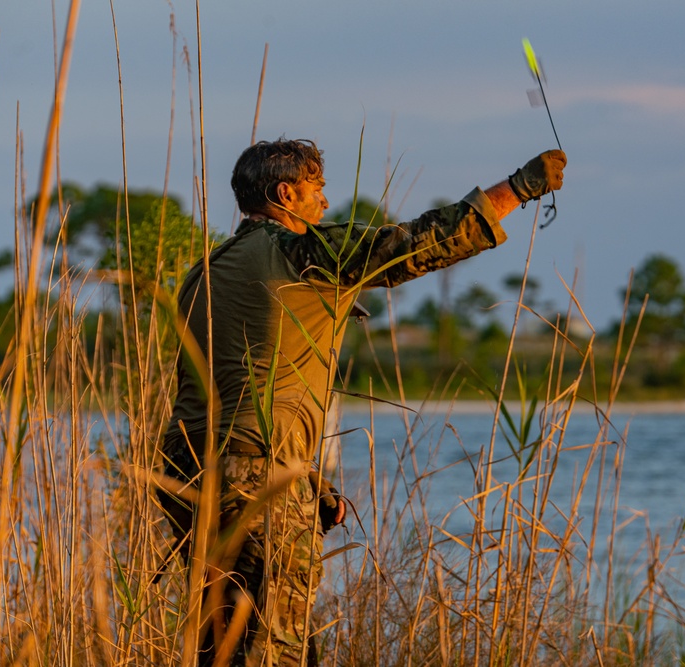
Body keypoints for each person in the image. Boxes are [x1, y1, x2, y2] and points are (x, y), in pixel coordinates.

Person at [158, 137, 566, 666]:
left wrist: (303, 479)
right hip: (254, 472)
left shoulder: (206, 270)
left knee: (225, 644)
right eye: (316, 189)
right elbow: (421, 243)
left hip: (190, 469)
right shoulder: (299, 253)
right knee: (270, 650)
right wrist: (520, 188)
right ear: (285, 194)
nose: (325, 203)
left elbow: (227, 388)